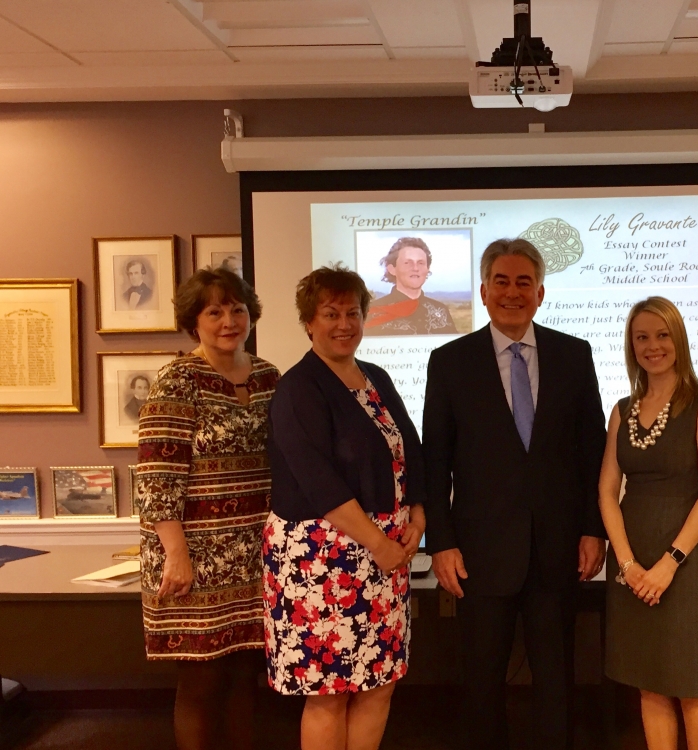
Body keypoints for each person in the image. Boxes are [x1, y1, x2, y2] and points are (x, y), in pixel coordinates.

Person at [423, 238, 607, 750]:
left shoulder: (574, 355)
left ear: (541, 292)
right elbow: (434, 461)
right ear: (483, 291)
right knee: (482, 684)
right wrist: (440, 541)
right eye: (501, 281)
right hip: (479, 556)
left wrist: (593, 529)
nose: (512, 292)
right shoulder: (449, 361)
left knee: (556, 683)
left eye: (523, 282)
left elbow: (592, 452)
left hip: (558, 551)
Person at [264, 264, 426, 750]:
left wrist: (418, 515)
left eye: (352, 312)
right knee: (328, 692)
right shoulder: (298, 387)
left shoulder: (374, 376)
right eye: (329, 313)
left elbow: (410, 450)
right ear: (308, 322)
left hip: (383, 559)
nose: (343, 324)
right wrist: (379, 543)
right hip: (321, 562)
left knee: (380, 681)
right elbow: (318, 481)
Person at [137, 267, 280, 750]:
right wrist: (176, 554)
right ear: (193, 321)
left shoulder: (269, 376)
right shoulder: (177, 380)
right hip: (194, 555)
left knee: (245, 676)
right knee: (202, 682)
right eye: (214, 310)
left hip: (256, 552)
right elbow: (157, 476)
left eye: (237, 309)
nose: (229, 320)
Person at [599, 297, 698, 750]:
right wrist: (628, 565)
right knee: (649, 684)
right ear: (631, 345)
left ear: (678, 339)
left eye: (661, 335)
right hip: (632, 565)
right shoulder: (622, 409)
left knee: (693, 688)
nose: (652, 345)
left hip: (684, 565)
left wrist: (668, 564)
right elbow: (606, 493)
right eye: (642, 337)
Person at [365, 237, 458, 335]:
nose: (415, 268)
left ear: (427, 269)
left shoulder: (441, 310)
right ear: (392, 269)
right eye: (407, 263)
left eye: (421, 263)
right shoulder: (372, 311)